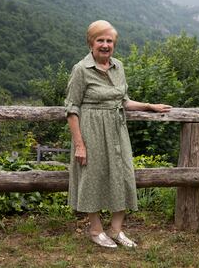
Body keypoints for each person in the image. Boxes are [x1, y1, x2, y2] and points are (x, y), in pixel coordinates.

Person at [65, 20, 171, 248]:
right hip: (91, 131)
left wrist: (149, 106)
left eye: (109, 41)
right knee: (92, 177)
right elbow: (72, 109)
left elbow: (123, 101)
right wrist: (79, 144)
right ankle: (95, 229)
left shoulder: (118, 66)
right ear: (91, 42)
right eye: (100, 40)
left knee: (123, 175)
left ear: (114, 44)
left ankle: (115, 230)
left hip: (117, 130)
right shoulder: (81, 70)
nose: (105, 45)